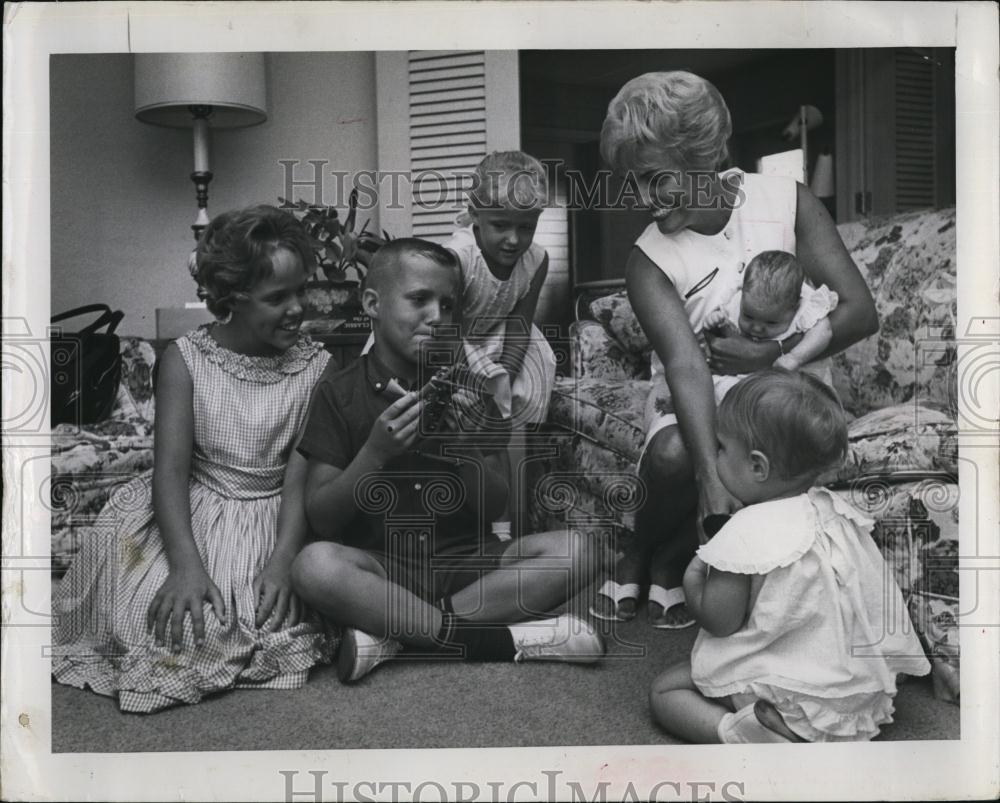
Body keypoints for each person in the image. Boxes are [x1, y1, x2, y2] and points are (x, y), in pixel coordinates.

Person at [592, 71, 878, 628]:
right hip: (695, 395)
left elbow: (860, 311)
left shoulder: (786, 203)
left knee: (776, 440)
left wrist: (776, 356)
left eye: (654, 179)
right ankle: (641, 548)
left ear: (702, 154)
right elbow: (684, 365)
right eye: (632, 185)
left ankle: (676, 556)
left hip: (784, 385)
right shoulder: (647, 259)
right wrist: (708, 477)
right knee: (677, 455)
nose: (644, 201)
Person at [52, 205, 337, 712]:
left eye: (302, 291)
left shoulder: (317, 367)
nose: (297, 308)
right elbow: (171, 470)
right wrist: (185, 565)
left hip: (276, 518)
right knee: (166, 616)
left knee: (266, 616)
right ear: (231, 299)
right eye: (277, 298)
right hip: (193, 512)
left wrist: (284, 556)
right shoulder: (186, 360)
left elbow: (300, 475)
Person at [291, 238, 606, 684]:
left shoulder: (472, 388)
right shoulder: (338, 393)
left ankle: (400, 636)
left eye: (448, 305)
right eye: (419, 299)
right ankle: (490, 641)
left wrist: (465, 451)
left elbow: (495, 507)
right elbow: (322, 517)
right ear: (372, 303)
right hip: (383, 568)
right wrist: (374, 454)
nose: (437, 317)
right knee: (314, 565)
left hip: (467, 566)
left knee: (579, 551)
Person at [649, 370, 930, 743]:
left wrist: (694, 576)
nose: (714, 456)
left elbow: (721, 621)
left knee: (666, 690)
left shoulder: (743, 533)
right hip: (855, 696)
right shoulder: (837, 512)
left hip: (789, 696)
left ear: (758, 466)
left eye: (720, 448)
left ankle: (743, 737)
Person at [444, 150, 558, 541]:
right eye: (500, 225)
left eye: (526, 227)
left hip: (499, 340)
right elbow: (445, 329)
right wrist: (480, 381)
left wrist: (503, 378)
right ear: (475, 214)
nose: (514, 239)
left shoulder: (537, 260)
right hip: (448, 343)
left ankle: (503, 531)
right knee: (454, 434)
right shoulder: (458, 258)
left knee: (500, 431)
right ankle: (455, 529)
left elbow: (520, 323)